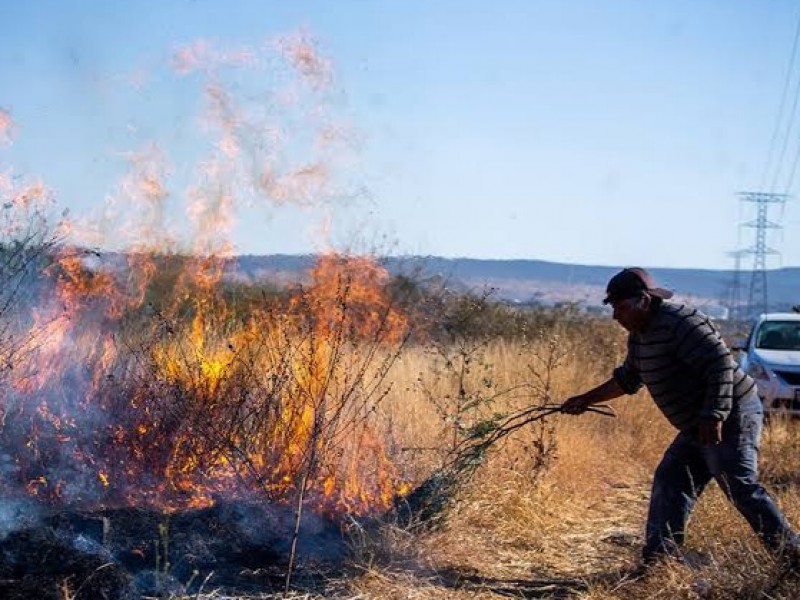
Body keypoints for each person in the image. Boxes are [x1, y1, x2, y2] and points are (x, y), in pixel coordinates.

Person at [561, 267, 800, 569]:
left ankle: (792, 557)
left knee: (738, 485)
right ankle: (659, 564)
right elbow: (628, 380)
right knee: (671, 480)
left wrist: (714, 414)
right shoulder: (639, 336)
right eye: (614, 308)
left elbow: (719, 365)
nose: (616, 317)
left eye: (621, 308)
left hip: (732, 413)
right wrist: (585, 399)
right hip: (696, 423)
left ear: (644, 301)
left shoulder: (681, 323)